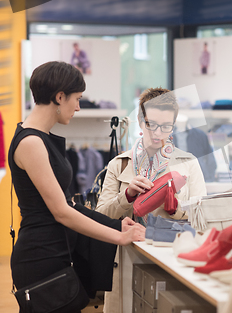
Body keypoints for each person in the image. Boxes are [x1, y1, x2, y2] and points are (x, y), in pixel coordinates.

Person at [8, 61, 145, 310]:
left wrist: (116, 224)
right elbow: (61, 211)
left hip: (54, 253)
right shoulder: (31, 143)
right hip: (40, 257)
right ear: (60, 97)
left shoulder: (42, 138)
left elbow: (70, 204)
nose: (79, 107)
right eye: (77, 99)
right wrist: (119, 237)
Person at [96, 87, 207, 313]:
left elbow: (203, 220)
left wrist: (175, 208)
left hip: (169, 261)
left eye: (166, 126)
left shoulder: (188, 163)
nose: (158, 133)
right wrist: (126, 196)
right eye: (151, 124)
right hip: (124, 261)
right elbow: (99, 218)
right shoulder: (120, 164)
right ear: (140, 120)